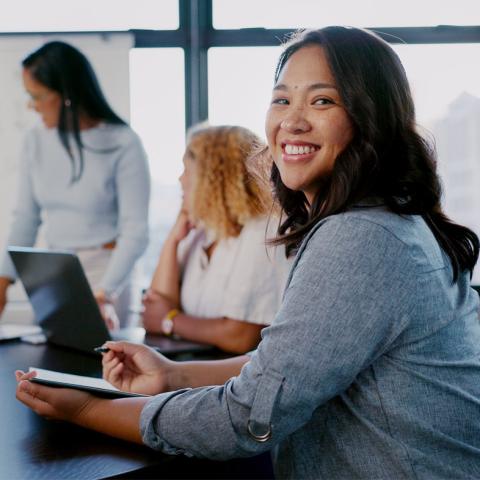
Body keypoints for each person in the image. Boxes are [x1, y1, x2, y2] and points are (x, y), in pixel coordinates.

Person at [15, 26, 480, 479]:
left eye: (322, 100)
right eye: (281, 99)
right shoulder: (382, 221)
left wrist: (83, 409)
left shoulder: (361, 238)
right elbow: (288, 365)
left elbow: (244, 420)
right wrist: (175, 375)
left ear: (370, 117)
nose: (291, 121)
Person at [0, 41, 150, 325]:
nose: (31, 106)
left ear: (66, 94)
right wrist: (4, 281)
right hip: (56, 273)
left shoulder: (123, 143)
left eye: (38, 96)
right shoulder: (35, 140)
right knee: (45, 362)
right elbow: (25, 219)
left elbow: (136, 231)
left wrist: (106, 293)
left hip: (107, 273)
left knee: (107, 364)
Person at [142, 124, 291, 353]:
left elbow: (240, 336)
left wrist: (170, 321)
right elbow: (156, 305)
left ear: (213, 176)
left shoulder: (264, 230)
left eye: (187, 169)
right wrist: (172, 241)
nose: (180, 179)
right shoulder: (203, 232)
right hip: (193, 363)